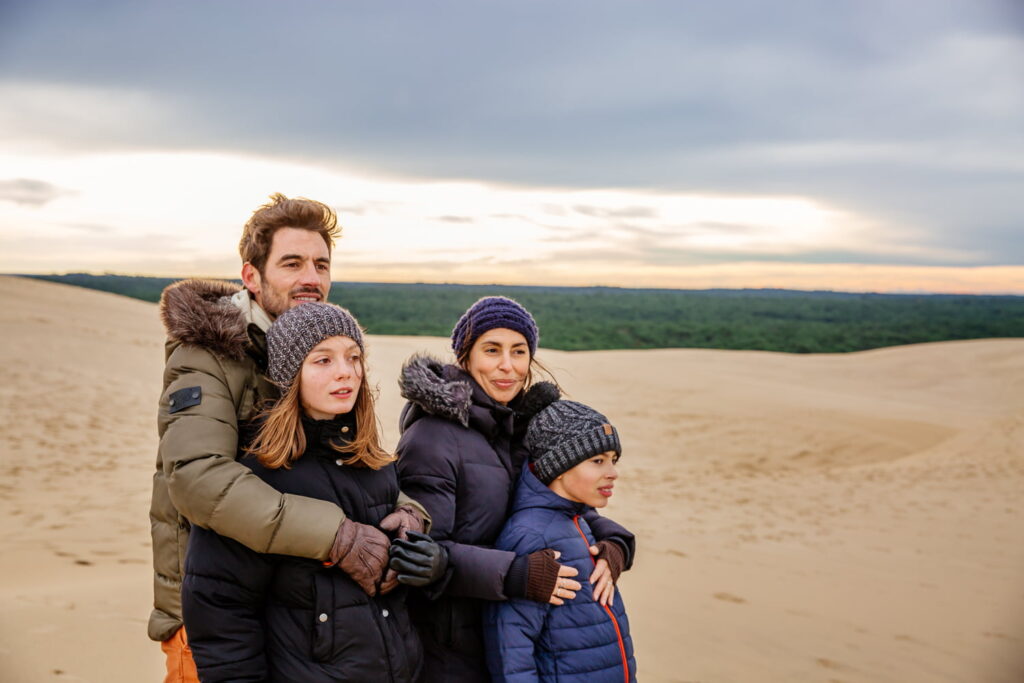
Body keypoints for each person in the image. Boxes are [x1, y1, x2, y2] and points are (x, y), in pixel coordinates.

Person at [149, 194, 429, 682]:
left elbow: (352, 459)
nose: (311, 279)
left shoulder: (324, 349)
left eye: (321, 264)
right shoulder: (208, 356)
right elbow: (197, 478)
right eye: (292, 263)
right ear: (251, 276)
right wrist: (336, 535)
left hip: (301, 613)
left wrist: (407, 510)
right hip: (211, 609)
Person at [181, 303, 442, 681]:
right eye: (323, 361)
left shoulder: (376, 466)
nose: (346, 373)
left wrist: (422, 550)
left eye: (354, 358)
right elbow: (221, 610)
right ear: (290, 374)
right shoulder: (259, 478)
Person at [395, 296, 636, 681]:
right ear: (466, 358)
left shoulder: (524, 429)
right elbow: (421, 556)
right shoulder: (431, 439)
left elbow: (561, 502)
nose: (508, 366)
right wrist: (517, 574)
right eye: (492, 350)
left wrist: (614, 544)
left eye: (519, 351)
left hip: (526, 644)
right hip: (455, 653)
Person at [483, 399, 636, 682]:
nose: (613, 473)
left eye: (613, 459)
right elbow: (511, 652)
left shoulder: (577, 522)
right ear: (560, 466)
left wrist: (616, 546)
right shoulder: (532, 534)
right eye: (597, 461)